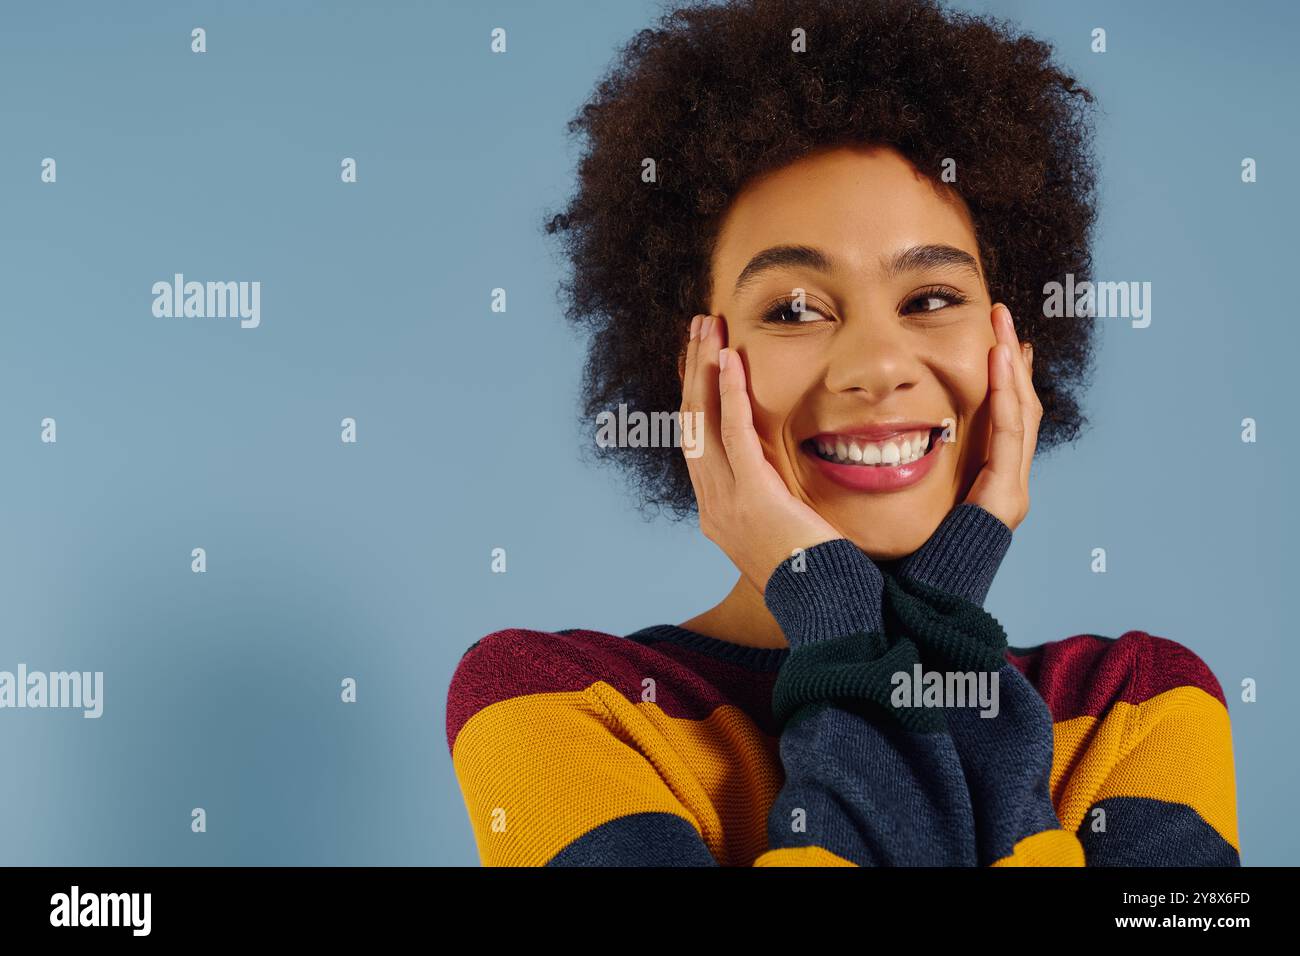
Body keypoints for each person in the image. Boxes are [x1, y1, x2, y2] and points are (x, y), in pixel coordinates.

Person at [445, 0, 1240, 866]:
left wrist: (903, 627)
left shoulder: (1138, 705)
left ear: (1010, 347)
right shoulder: (561, 703)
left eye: (931, 299)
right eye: (793, 309)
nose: (877, 365)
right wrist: (848, 628)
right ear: (691, 372)